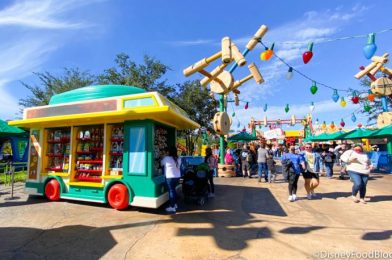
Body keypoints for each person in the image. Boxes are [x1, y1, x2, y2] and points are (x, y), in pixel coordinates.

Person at [161, 146, 181, 213]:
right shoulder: (179, 158)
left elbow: (161, 163)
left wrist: (164, 156)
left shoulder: (167, 158)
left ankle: (172, 207)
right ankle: (174, 204)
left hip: (170, 177)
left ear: (169, 152)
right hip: (177, 177)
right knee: (173, 190)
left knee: (171, 191)